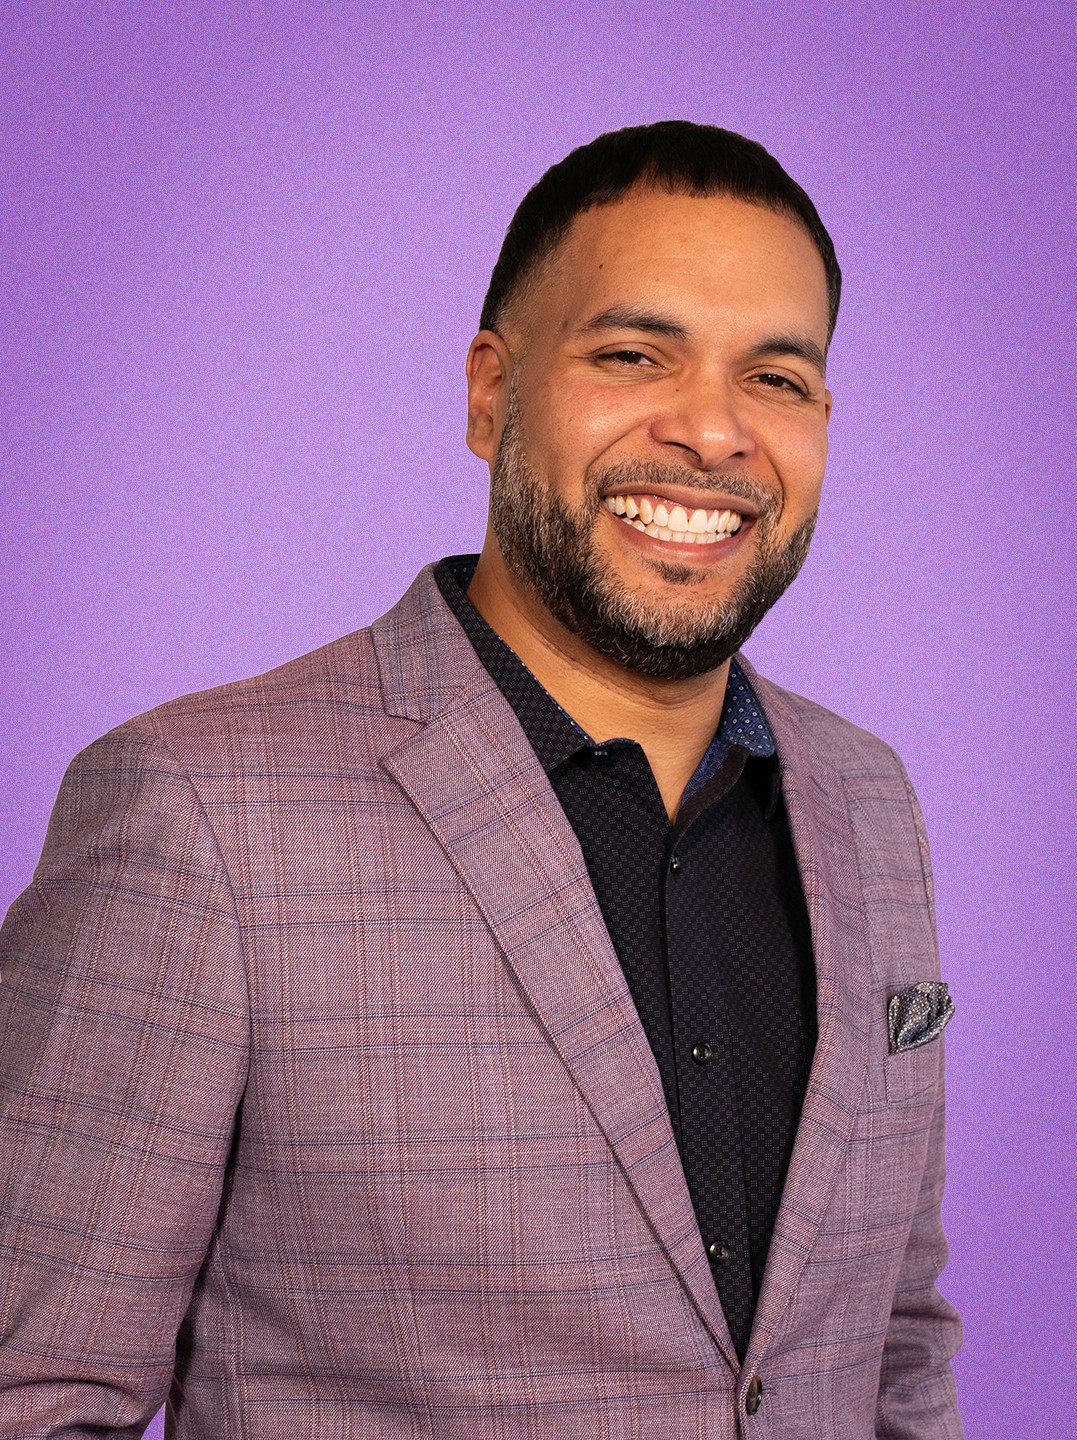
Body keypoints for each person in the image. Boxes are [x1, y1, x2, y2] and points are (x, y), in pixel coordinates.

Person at [0, 121, 962, 1438]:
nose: (712, 429)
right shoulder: (199, 815)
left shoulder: (870, 805)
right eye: (633, 355)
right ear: (489, 394)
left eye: (778, 378)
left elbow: (894, 1352)